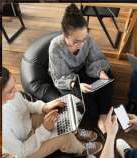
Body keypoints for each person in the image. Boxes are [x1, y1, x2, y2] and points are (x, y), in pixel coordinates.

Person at [1, 68, 102, 158]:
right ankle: (81, 149)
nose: (15, 91)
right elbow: (21, 151)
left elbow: (27, 105)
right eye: (10, 91)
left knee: (56, 114)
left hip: (28, 123)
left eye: (14, 84)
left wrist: (45, 107)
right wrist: (44, 129)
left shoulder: (12, 94)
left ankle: (74, 131)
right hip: (21, 151)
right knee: (64, 138)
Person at [48, 3, 113, 134]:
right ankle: (96, 116)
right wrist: (76, 85)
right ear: (64, 35)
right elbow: (59, 77)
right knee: (88, 105)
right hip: (67, 79)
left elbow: (95, 59)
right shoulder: (55, 47)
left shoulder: (87, 39)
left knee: (107, 76)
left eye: (84, 39)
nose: (82, 44)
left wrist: (100, 72)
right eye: (77, 41)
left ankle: (104, 115)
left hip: (83, 70)